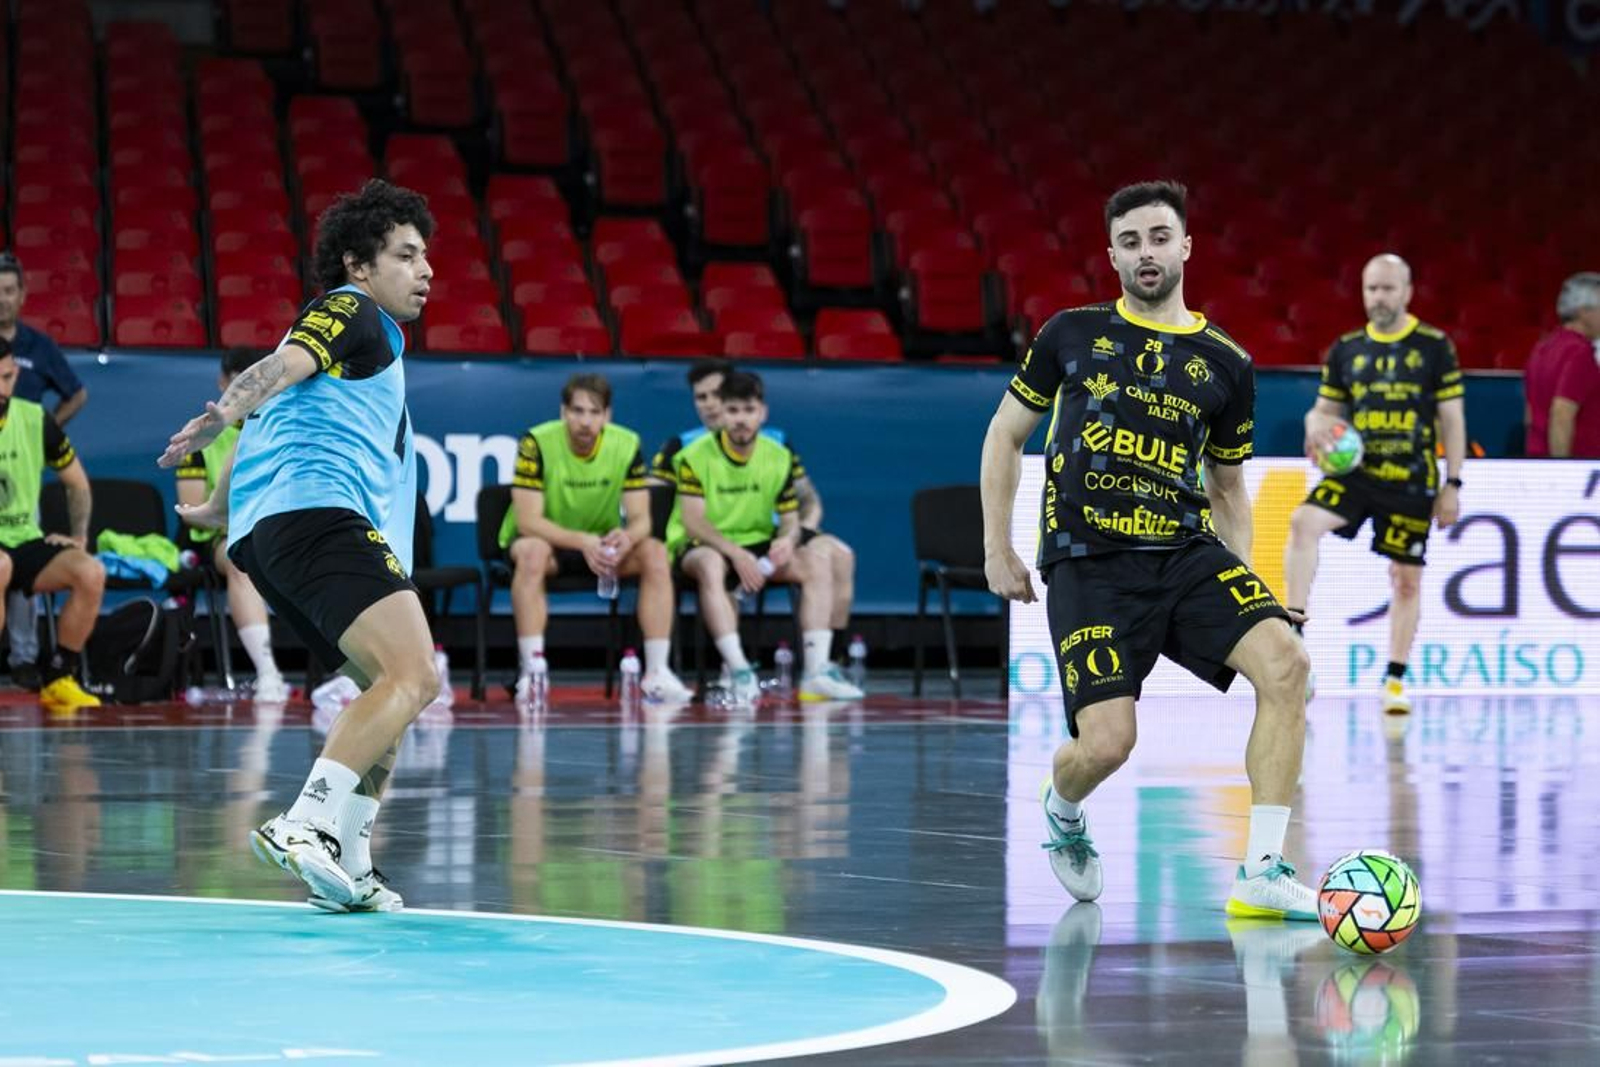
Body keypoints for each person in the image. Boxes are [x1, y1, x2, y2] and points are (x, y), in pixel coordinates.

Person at [980, 180, 1316, 919]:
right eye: (1130, 242)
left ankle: (1262, 867)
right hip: (1088, 559)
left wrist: (1252, 590)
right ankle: (1064, 808)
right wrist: (996, 546)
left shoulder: (1227, 362)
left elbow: (1229, 490)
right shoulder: (1069, 333)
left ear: (1187, 245)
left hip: (1185, 552)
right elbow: (1005, 434)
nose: (1147, 253)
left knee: (1287, 665)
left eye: (1160, 237)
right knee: (1107, 743)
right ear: (1112, 255)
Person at [157, 179, 440, 913]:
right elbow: (274, 377)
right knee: (413, 674)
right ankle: (309, 819)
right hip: (318, 515)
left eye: (424, 256)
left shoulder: (355, 342)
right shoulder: (351, 309)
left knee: (396, 688)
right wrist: (220, 412)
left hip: (273, 532)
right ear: (358, 265)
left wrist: (217, 507)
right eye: (406, 255)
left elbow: (269, 420)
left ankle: (349, 856)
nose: (425, 270)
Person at [1282, 253, 1467, 714]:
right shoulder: (1346, 349)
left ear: (1407, 292)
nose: (1378, 297)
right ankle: (1294, 639)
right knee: (1303, 521)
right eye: (1371, 289)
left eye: (1387, 288)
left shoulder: (1433, 346)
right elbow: (1324, 410)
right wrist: (1312, 423)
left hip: (1412, 479)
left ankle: (1395, 680)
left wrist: (1454, 483)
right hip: (1356, 474)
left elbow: (1453, 419)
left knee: (1406, 581)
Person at [669, 370, 865, 703]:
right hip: (705, 543)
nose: (741, 420)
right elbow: (693, 522)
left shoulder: (779, 456)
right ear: (722, 412)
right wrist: (736, 553)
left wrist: (787, 540)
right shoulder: (693, 456)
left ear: (763, 412)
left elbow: (790, 518)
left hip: (756, 540)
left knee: (816, 562)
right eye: (733, 411)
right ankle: (740, 671)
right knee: (711, 565)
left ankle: (816, 672)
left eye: (748, 410)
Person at [498, 372, 692, 704]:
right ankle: (532, 672)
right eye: (577, 411)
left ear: (607, 416)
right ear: (563, 412)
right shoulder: (535, 442)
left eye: (594, 412)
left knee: (656, 552)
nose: (585, 421)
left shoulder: (626, 443)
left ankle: (657, 673)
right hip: (549, 545)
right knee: (531, 552)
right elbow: (529, 522)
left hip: (603, 548)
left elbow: (643, 520)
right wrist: (582, 541)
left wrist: (627, 538)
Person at [174, 348, 288, 702]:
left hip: (273, 530)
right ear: (224, 382)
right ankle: (268, 672)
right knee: (241, 563)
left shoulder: (278, 427)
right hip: (216, 537)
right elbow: (191, 509)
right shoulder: (203, 434)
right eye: (239, 381)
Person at [0, 337, 105, 713]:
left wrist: (78, 536)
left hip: (24, 539)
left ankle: (59, 676)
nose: (3, 388)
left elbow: (77, 483)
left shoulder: (34, 418)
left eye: (8, 377)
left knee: (91, 572)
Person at [0, 251, 89, 692]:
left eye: (9, 291)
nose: (2, 300)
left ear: (21, 295)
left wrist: (46, 431)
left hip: (22, 463)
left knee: (21, 552)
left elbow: (77, 394)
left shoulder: (38, 346)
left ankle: (26, 658)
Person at [1523, 272, 1600, 459]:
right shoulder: (1580, 353)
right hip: (1577, 472)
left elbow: (1529, 415)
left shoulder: (1542, 348)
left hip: (1536, 460)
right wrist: (1563, 472)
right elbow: (1561, 415)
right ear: (1583, 312)